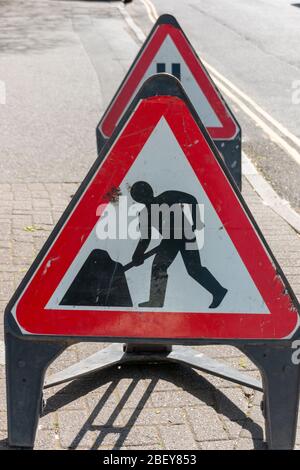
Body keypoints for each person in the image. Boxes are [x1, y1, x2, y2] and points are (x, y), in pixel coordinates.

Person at [130, 181, 227, 308]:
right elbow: (145, 238)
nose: (145, 198)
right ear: (138, 199)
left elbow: (191, 199)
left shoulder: (168, 196)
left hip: (187, 235)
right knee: (159, 267)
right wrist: (138, 253)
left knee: (194, 269)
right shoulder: (144, 215)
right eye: (140, 196)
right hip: (170, 241)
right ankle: (156, 301)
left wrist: (196, 220)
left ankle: (218, 291)